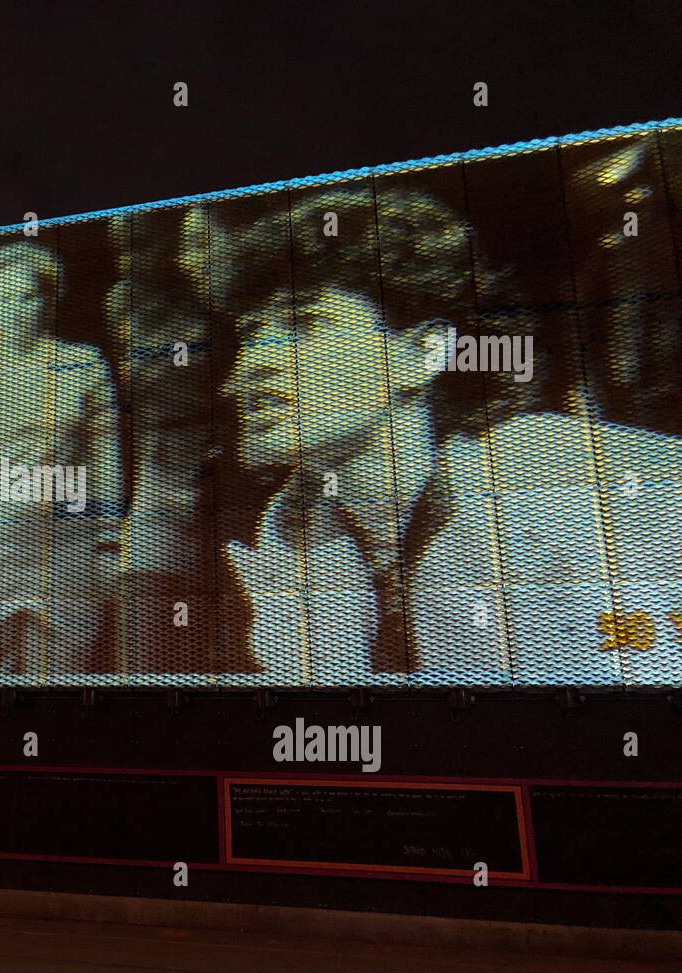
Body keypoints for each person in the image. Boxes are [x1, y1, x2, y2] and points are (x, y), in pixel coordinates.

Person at [218, 185, 682, 686]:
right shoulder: (293, 524)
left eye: (303, 324)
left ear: (422, 355)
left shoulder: (564, 479)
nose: (251, 364)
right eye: (251, 334)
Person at [0, 241, 123, 678]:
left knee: (61, 683)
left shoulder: (85, 366)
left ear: (48, 300)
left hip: (66, 554)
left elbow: (105, 462)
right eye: (3, 299)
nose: (15, 311)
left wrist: (109, 544)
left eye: (27, 297)